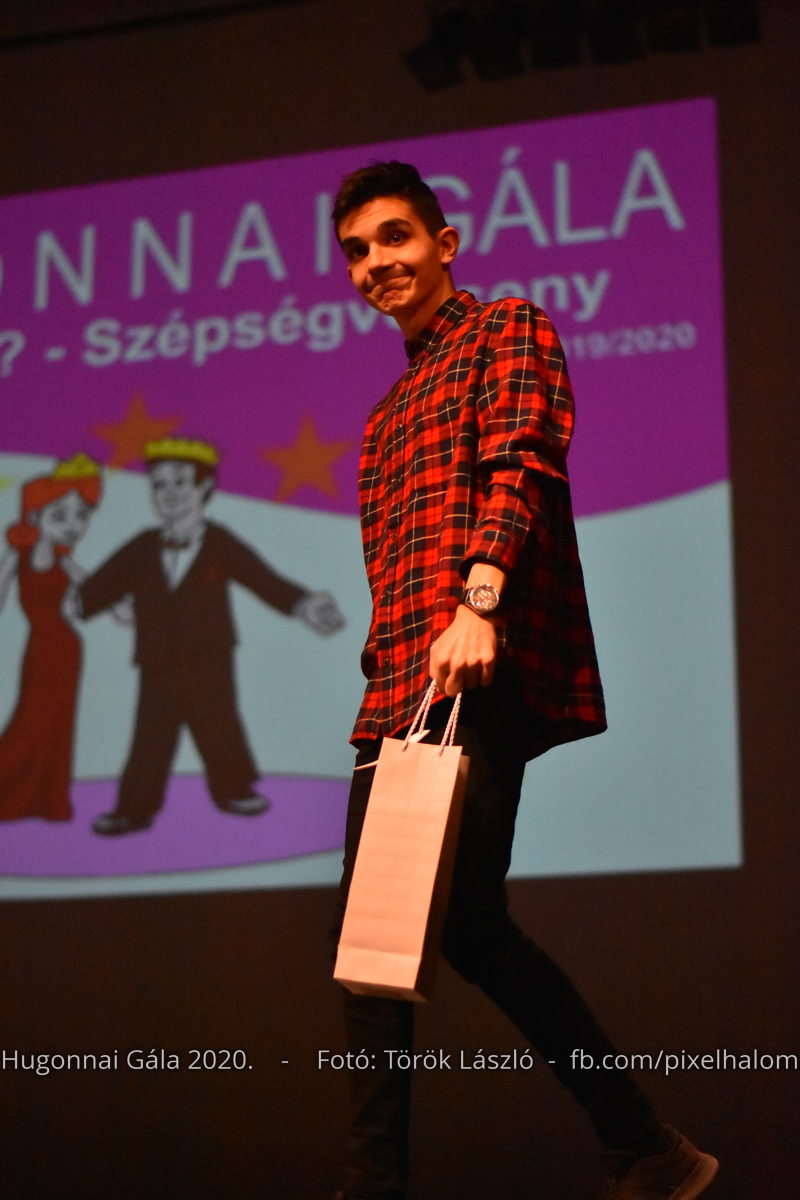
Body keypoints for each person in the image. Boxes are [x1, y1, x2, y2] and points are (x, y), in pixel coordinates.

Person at [329, 163, 718, 1200]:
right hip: (402, 692)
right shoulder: (383, 417)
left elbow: (523, 463)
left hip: (475, 664)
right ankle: (648, 1146)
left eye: (394, 236)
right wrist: (383, 678)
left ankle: (379, 1186)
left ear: (444, 244)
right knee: (431, 935)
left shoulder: (505, 328)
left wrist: (481, 600)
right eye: (356, 251)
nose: (375, 263)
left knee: (395, 933)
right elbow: (388, 572)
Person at [79, 437, 345, 836]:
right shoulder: (143, 546)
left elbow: (262, 579)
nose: (169, 493)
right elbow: (96, 589)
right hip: (157, 658)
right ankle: (132, 809)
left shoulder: (219, 542)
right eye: (159, 484)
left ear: (204, 487)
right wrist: (68, 596)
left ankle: (234, 790)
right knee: (150, 735)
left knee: (219, 724)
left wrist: (305, 604)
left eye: (180, 482)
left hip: (210, 656)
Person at [0, 453, 103, 822]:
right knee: (31, 720)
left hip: (67, 648)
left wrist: (124, 608)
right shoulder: (19, 555)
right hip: (41, 649)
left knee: (58, 722)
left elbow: (99, 590)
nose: (73, 526)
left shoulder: (65, 563)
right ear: (34, 517)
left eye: (81, 516)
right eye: (60, 516)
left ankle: (48, 798)